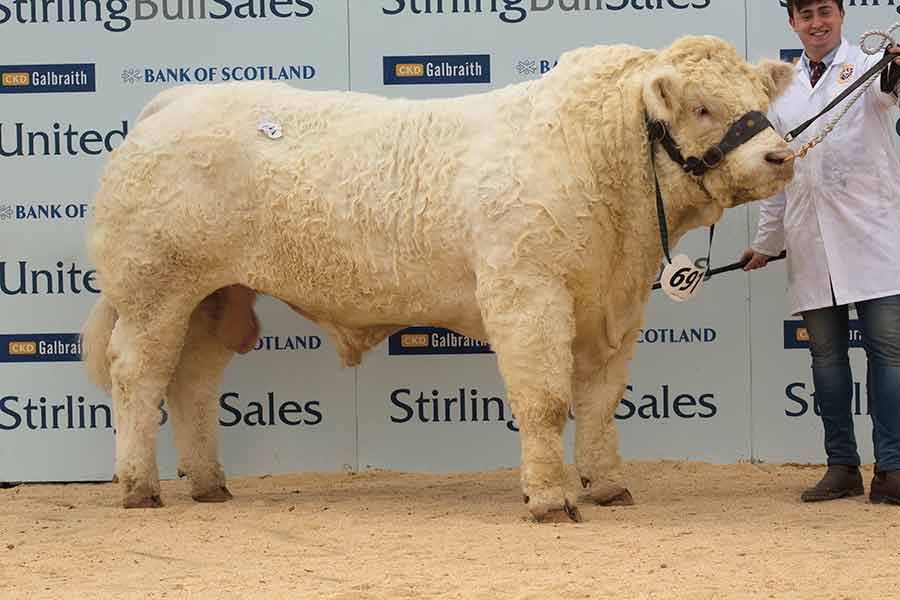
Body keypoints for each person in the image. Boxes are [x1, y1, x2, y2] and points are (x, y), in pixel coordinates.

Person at [743, 0, 900, 504]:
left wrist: (896, 67)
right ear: (793, 22)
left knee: (889, 358)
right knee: (826, 360)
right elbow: (776, 175)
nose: (817, 22)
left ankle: (893, 470)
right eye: (805, 14)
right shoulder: (782, 88)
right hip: (809, 239)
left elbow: (891, 89)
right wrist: (766, 244)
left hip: (873, 238)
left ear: (841, 15)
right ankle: (842, 467)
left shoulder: (871, 67)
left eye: (825, 11)